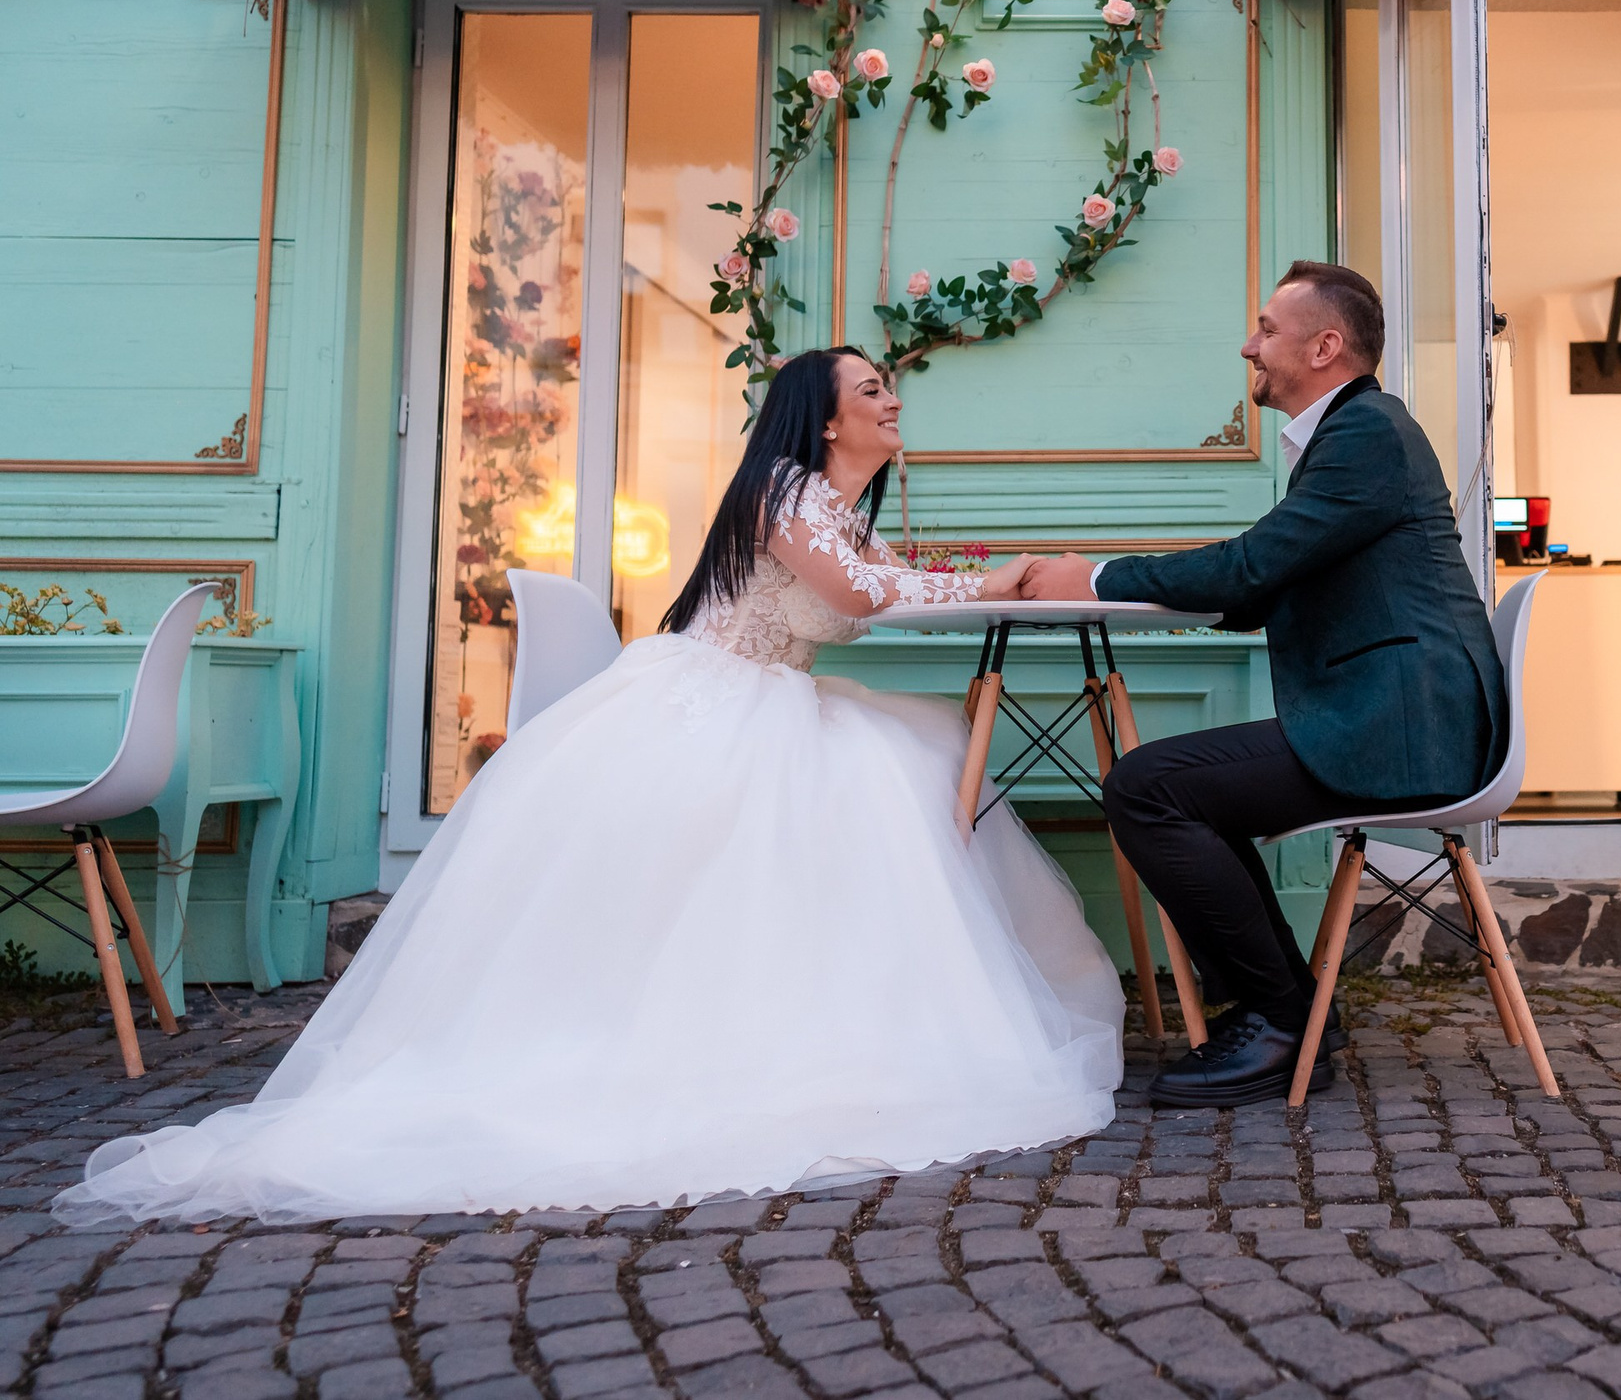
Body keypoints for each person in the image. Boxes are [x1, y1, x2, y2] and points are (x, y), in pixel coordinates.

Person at [57, 347, 1124, 1227]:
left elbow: (871, 582)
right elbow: (855, 594)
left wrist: (982, 574)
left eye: (892, 387)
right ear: (823, 418)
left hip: (771, 694)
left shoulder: (833, 505)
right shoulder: (783, 490)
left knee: (911, 756)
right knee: (896, 769)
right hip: (716, 699)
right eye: (870, 390)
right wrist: (993, 578)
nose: (891, 400)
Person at [1022, 262, 1504, 1107]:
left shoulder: (1367, 432)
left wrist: (1094, 578)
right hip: (1395, 716)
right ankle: (1292, 1010)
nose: (1250, 345)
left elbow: (1255, 566)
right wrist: (1147, 584)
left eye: (1266, 330)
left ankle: (1283, 1019)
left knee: (1149, 786)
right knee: (1180, 789)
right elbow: (1270, 576)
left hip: (1402, 727)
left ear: (1325, 346)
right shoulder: (1358, 433)